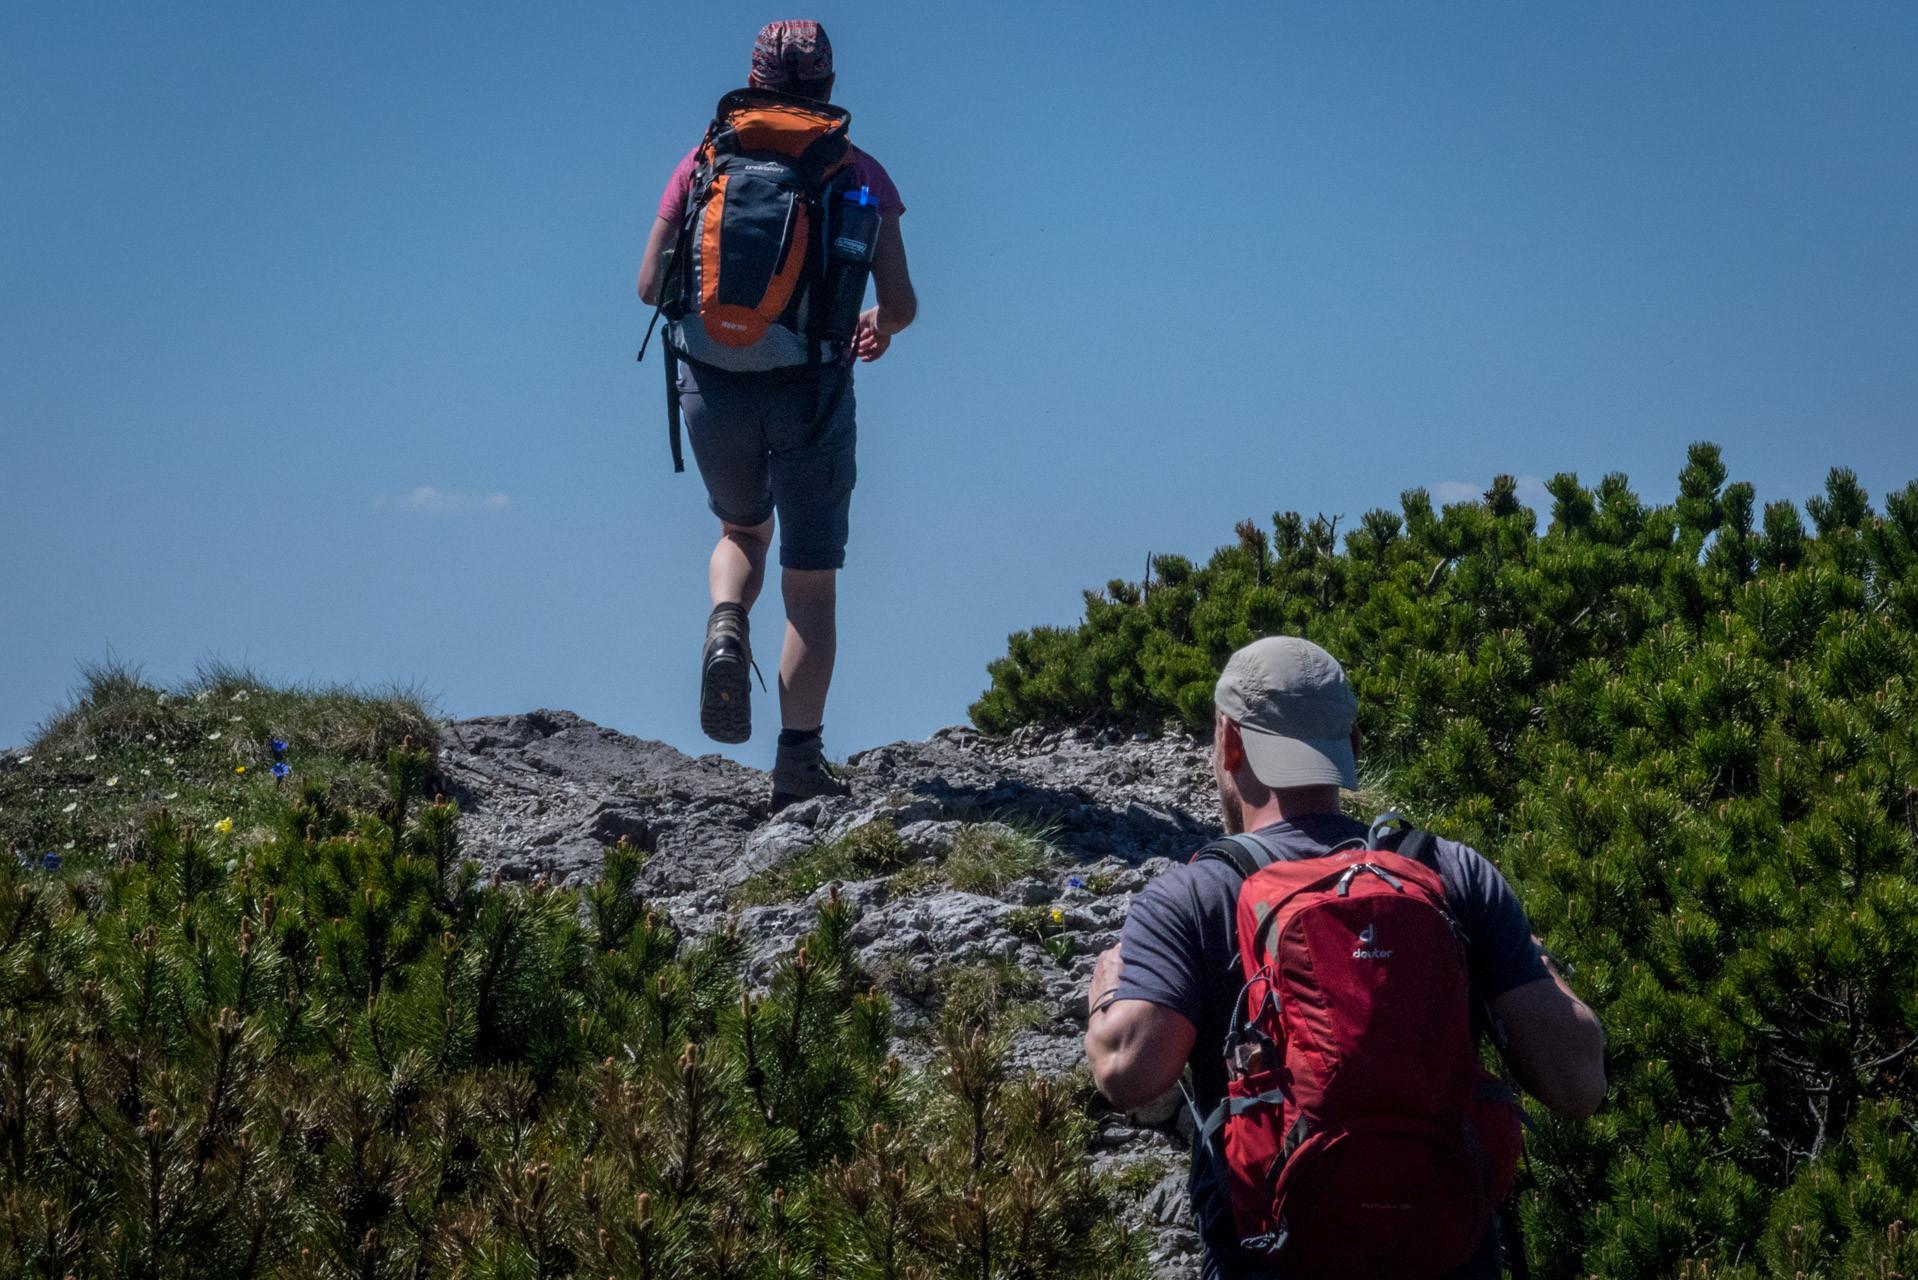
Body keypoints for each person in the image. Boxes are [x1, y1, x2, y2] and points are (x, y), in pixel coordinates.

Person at [1084, 636, 1606, 1279]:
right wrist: (1535, 963)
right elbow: (1579, 1084)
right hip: (1445, 1258)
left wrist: (1108, 991)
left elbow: (1128, 1070)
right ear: (1351, 748)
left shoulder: (1195, 894)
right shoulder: (1452, 874)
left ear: (1229, 743)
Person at [637, 20, 916, 808]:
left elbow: (649, 286)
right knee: (812, 588)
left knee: (739, 532)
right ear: (829, 86)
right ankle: (797, 766)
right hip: (814, 394)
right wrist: (876, 327)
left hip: (711, 386)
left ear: (753, 81)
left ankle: (727, 619)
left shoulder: (704, 161)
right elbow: (898, 304)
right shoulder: (858, 170)